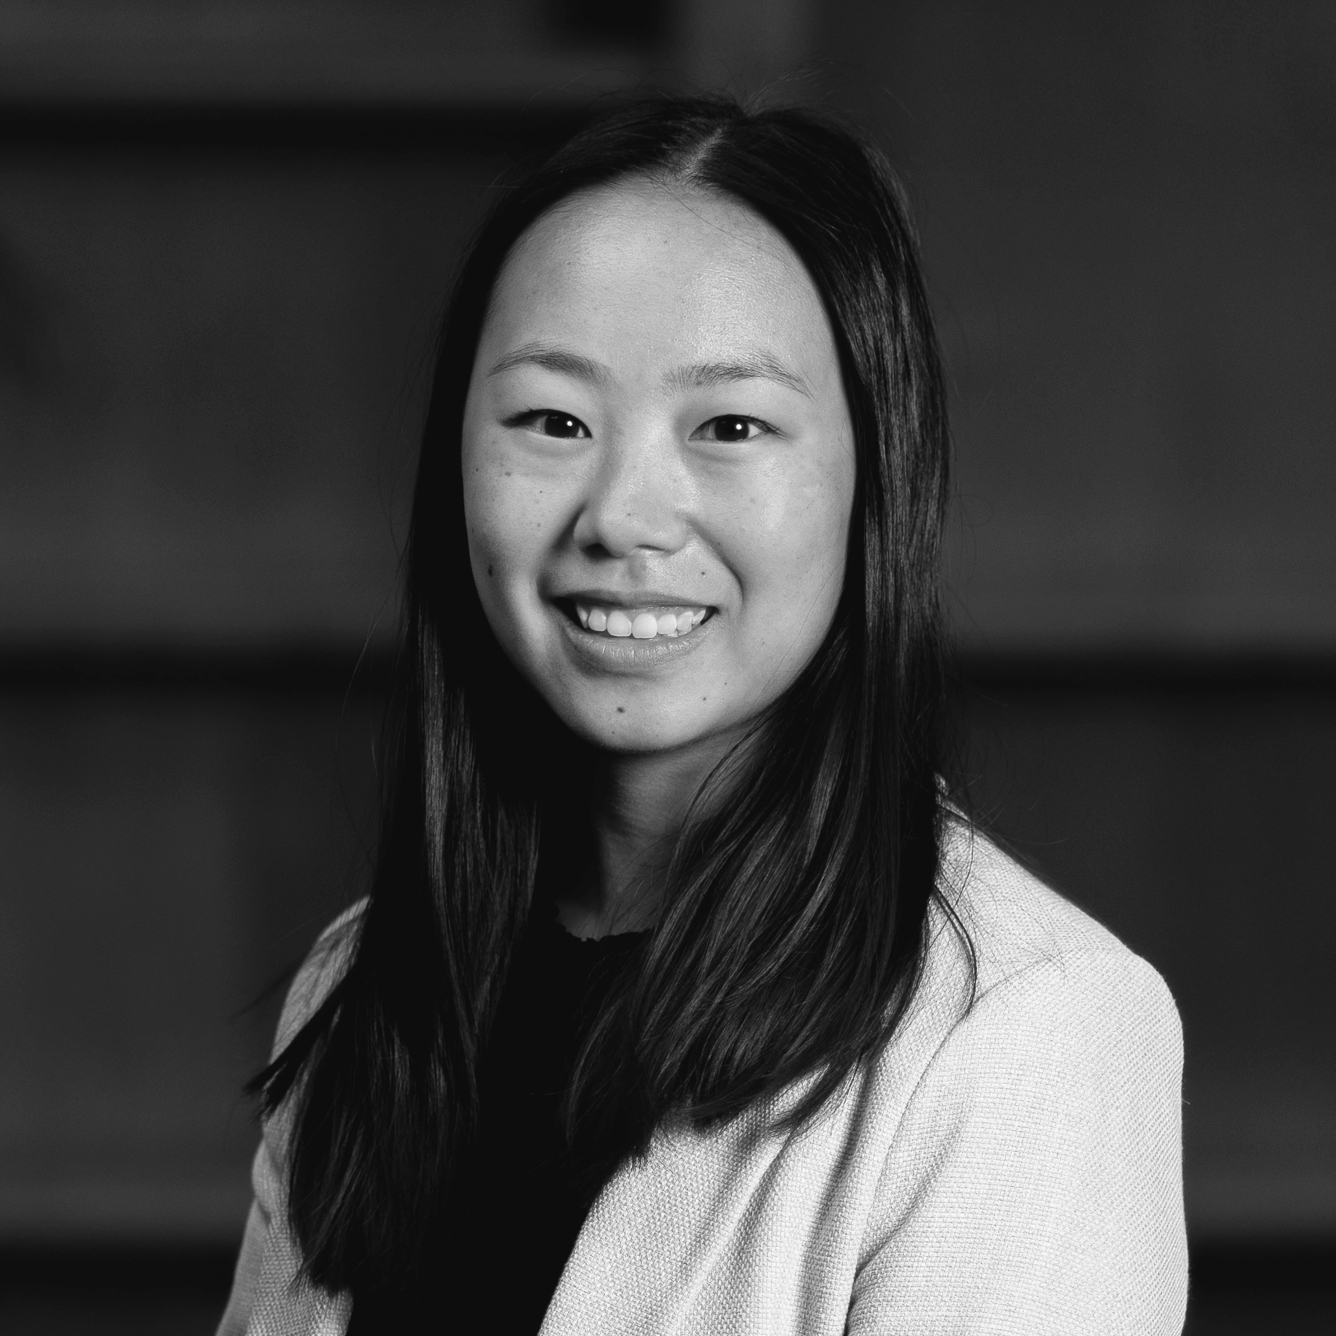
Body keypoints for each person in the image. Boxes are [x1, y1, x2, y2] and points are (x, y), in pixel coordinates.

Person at [216, 96, 1187, 1336]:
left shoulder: (1026, 1029)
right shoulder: (366, 981)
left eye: (730, 425)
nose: (623, 513)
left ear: (873, 479)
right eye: (552, 421)